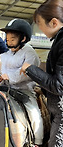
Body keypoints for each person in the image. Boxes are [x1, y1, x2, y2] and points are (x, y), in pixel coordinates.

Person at [0, 18, 43, 146]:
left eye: (12, 39)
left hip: (24, 90)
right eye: (7, 39)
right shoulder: (4, 55)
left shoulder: (30, 53)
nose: (8, 42)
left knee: (34, 113)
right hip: (4, 89)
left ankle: (37, 140)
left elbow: (26, 74)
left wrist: (8, 76)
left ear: (23, 39)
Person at [20, 0, 63, 146]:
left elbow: (59, 85)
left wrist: (31, 69)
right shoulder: (58, 41)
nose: (39, 28)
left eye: (39, 23)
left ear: (54, 22)